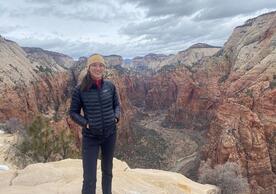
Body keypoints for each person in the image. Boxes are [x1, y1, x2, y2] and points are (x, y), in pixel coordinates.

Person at [69, 54, 120, 194]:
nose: (98, 68)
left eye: (101, 65)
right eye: (94, 65)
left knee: (108, 171)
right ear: (88, 67)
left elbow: (117, 105)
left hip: (110, 134)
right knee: (89, 177)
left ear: (104, 67)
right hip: (91, 137)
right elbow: (73, 112)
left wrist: (116, 117)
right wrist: (87, 124)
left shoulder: (110, 86)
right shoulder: (79, 90)